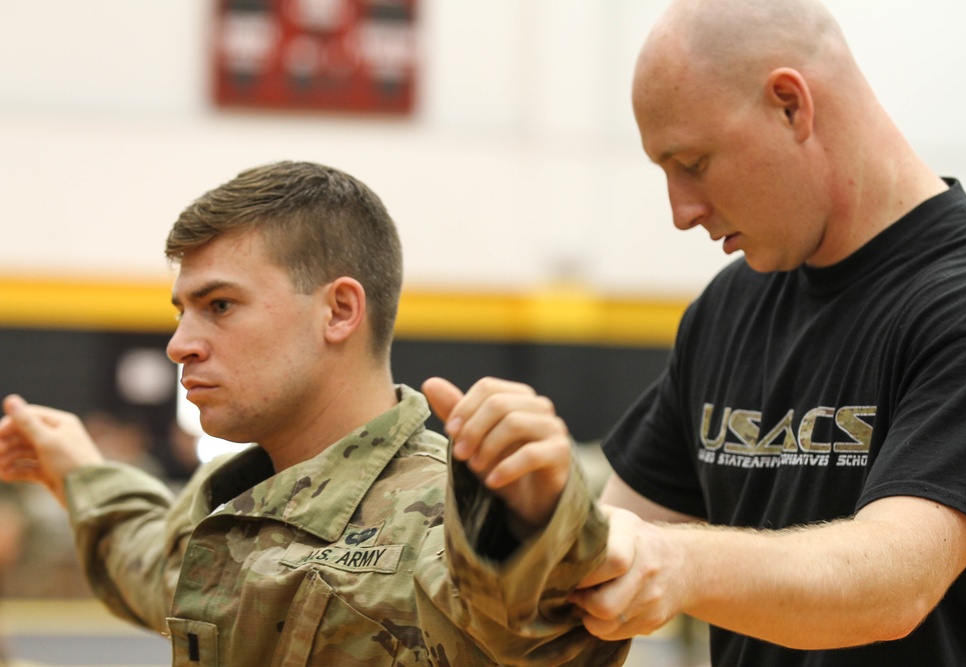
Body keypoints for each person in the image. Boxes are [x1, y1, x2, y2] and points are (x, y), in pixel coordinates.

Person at [438, 1, 966, 665]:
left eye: (693, 162)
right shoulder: (729, 307)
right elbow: (620, 543)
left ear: (791, 104)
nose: (681, 212)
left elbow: (895, 582)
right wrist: (540, 506)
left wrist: (682, 562)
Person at [0, 161, 628, 666]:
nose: (179, 343)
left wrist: (539, 522)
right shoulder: (234, 513)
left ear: (339, 311)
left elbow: (537, 633)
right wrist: (80, 471)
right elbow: (149, 562)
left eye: (219, 305)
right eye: (182, 311)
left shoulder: (448, 520)